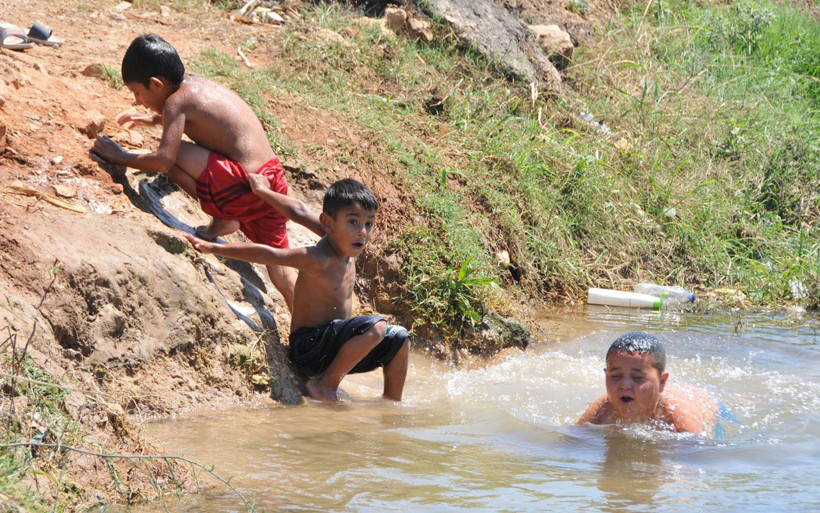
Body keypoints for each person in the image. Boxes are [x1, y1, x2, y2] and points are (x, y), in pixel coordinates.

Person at [90, 34, 306, 311]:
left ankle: (223, 217)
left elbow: (163, 161)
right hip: (269, 183)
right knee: (278, 260)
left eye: (137, 93)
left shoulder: (175, 103)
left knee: (173, 153)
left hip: (243, 188)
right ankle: (307, 325)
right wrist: (155, 119)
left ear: (156, 84)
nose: (139, 102)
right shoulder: (194, 86)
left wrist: (119, 155)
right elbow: (203, 118)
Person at [184, 178, 411, 403]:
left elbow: (299, 210)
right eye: (353, 222)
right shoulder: (319, 258)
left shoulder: (341, 241)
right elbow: (270, 254)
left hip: (333, 350)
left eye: (368, 224)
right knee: (377, 327)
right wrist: (213, 247)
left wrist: (263, 191)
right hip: (309, 349)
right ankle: (324, 386)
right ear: (328, 223)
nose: (362, 232)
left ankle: (391, 404)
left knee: (400, 338)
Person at [578, 331, 717, 434]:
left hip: (703, 402)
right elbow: (570, 443)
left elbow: (697, 459)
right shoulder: (602, 409)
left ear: (662, 382)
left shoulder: (679, 419)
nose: (625, 385)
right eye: (615, 375)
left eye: (638, 377)